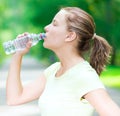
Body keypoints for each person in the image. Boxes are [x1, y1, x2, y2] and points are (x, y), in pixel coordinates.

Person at [6, 7, 120, 116]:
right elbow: (15, 98)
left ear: (69, 36)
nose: (46, 27)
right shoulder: (54, 70)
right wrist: (18, 55)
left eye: (54, 24)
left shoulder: (83, 75)